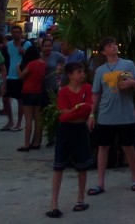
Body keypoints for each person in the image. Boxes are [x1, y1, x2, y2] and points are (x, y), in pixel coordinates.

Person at [87, 37, 135, 195]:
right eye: (109, 46)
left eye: (114, 44)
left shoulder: (128, 64)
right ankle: (100, 182)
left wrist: (132, 83)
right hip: (106, 114)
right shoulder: (100, 70)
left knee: (128, 146)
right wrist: (92, 114)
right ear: (104, 51)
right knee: (103, 147)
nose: (113, 47)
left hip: (125, 114)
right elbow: (96, 94)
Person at [48, 62, 93, 217]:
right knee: (59, 166)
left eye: (83, 72)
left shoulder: (87, 88)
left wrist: (77, 110)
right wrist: (79, 109)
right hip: (66, 130)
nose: (82, 75)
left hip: (80, 129)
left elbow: (88, 107)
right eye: (79, 72)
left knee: (82, 166)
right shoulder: (64, 92)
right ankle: (54, 203)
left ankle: (80, 199)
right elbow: (64, 114)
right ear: (70, 75)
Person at [1, 26, 31, 132]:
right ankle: (10, 121)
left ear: (21, 33)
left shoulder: (27, 44)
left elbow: (32, 59)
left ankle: (19, 123)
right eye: (14, 32)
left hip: (21, 76)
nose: (16, 34)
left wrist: (24, 53)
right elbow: (4, 59)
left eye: (17, 32)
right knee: (5, 99)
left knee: (20, 100)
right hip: (9, 75)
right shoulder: (8, 45)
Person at [17, 45, 45, 152]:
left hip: (28, 91)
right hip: (38, 91)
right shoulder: (42, 63)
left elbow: (22, 76)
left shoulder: (31, 64)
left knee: (28, 119)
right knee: (37, 118)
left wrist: (18, 68)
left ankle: (26, 144)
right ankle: (37, 142)